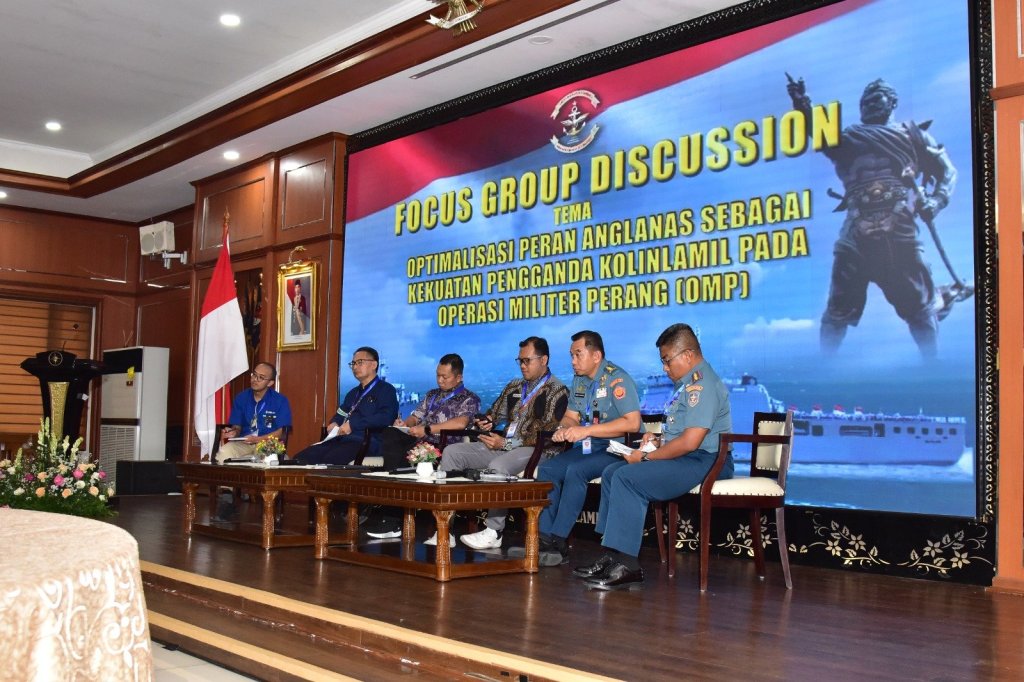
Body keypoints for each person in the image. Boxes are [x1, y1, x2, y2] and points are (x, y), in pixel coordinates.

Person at [787, 76, 958, 358]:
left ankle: (933, 365)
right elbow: (819, 132)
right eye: (863, 102)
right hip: (856, 229)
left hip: (899, 227)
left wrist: (937, 201)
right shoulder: (850, 139)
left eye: (875, 99)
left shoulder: (913, 136)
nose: (868, 106)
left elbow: (947, 172)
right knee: (836, 311)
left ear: (892, 102)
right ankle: (824, 368)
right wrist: (802, 103)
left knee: (919, 307)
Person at [574, 323, 732, 590]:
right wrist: (656, 440)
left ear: (688, 355)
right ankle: (613, 553)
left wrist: (648, 458)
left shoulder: (703, 385)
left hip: (708, 461)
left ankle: (628, 567)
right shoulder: (686, 385)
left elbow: (691, 442)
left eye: (667, 360)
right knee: (612, 472)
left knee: (627, 478)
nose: (665, 368)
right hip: (690, 457)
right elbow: (682, 434)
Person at [509, 330, 641, 566]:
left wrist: (586, 431)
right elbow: (571, 416)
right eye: (571, 355)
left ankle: (559, 541)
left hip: (617, 448)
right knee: (549, 470)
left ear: (596, 356)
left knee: (576, 471)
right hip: (590, 446)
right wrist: (564, 428)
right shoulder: (579, 380)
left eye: (578, 354)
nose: (573, 361)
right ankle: (543, 538)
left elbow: (632, 423)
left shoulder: (617, 379)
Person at [439, 337, 569, 549]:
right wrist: (487, 421)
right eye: (520, 361)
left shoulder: (557, 391)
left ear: (544, 359)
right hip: (506, 446)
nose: (522, 366)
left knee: (498, 466)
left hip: (538, 450)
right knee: (453, 452)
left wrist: (506, 444)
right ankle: (446, 528)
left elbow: (545, 433)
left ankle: (494, 532)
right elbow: (495, 412)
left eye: (527, 361)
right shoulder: (514, 386)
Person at [366, 353, 480, 540]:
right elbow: (415, 416)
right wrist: (405, 424)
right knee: (391, 434)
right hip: (417, 440)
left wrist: (427, 429)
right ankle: (391, 508)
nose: (440, 380)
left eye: (445, 377)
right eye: (438, 375)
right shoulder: (432, 395)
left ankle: (393, 518)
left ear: (459, 377)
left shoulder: (469, 398)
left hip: (441, 445)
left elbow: (461, 423)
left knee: (400, 460)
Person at [292, 346, 398, 465]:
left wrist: (353, 425)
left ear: (374, 365)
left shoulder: (386, 390)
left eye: (360, 362)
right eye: (353, 363)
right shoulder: (353, 393)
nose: (355, 367)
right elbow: (341, 413)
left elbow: (386, 417)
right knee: (300, 458)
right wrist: (335, 422)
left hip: (367, 441)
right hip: (342, 439)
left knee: (330, 460)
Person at [216, 362, 292, 463]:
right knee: (224, 452)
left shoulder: (280, 401)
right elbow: (237, 426)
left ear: (270, 383)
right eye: (254, 375)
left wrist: (258, 439)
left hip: (267, 443)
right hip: (244, 442)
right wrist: (234, 432)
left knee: (267, 458)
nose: (255, 379)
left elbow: (282, 431)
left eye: (261, 377)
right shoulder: (241, 398)